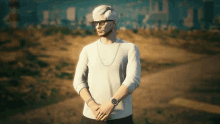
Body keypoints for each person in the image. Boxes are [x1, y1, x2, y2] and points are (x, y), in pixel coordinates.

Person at [73, 4, 141, 124]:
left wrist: (112, 103)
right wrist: (92, 105)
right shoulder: (88, 50)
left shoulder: (129, 48)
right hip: (91, 116)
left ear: (114, 23)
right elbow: (78, 81)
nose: (98, 26)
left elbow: (133, 79)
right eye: (95, 23)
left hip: (121, 117)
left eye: (102, 22)